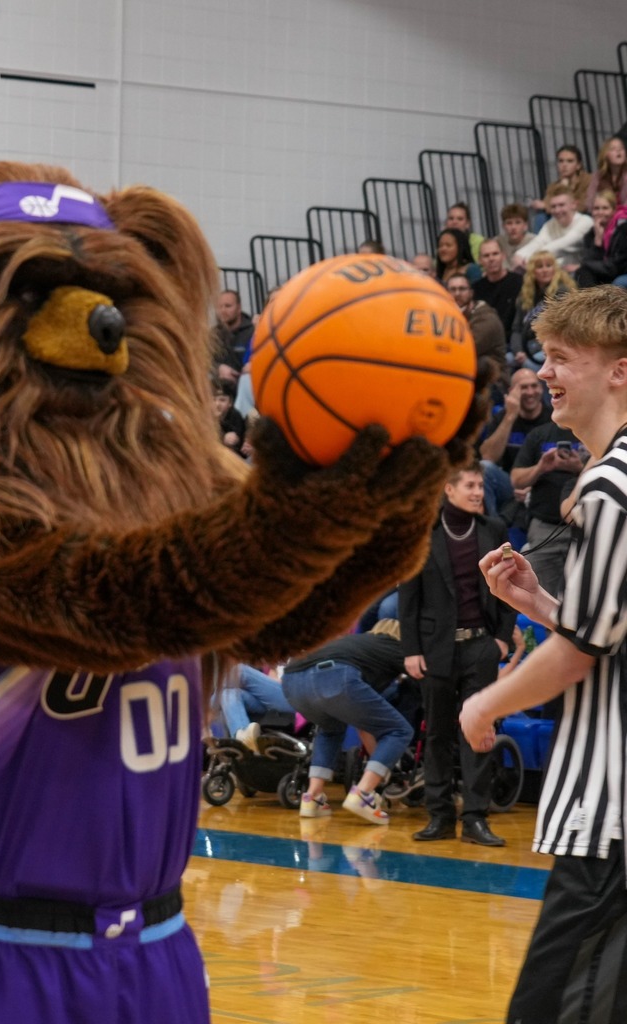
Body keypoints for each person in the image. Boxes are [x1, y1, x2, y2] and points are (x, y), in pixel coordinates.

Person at [461, 286, 627, 1023]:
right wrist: (542, 608)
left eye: (563, 359)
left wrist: (485, 701)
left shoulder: (610, 487)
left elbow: (579, 657)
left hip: (612, 816)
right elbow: (603, 637)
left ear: (618, 371)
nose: (547, 373)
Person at [398, 462, 516, 846]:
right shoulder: (423, 535)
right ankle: (439, 816)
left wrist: (501, 639)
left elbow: (509, 588)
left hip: (481, 645)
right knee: (438, 734)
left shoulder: (493, 530)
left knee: (479, 731)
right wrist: (411, 650)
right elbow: (408, 598)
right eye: (470, 485)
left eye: (481, 485)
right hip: (435, 649)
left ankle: (476, 818)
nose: (478, 492)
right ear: (448, 490)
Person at [281, 619, 415, 825]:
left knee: (330, 728)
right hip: (332, 676)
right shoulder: (395, 646)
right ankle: (363, 793)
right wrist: (384, 767)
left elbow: (363, 723)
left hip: (292, 682)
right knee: (399, 730)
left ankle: (312, 797)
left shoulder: (356, 644)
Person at [510, 420, 585, 599]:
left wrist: (579, 468)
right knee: (537, 596)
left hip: (582, 526)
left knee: (580, 598)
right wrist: (541, 467)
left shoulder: (591, 432)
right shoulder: (539, 434)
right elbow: (516, 480)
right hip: (543, 527)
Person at [478, 367, 551, 518]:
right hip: (510, 484)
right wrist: (510, 416)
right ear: (512, 391)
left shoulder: (553, 418)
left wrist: (533, 489)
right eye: (523, 387)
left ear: (541, 388)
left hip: (546, 485)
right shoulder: (503, 417)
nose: (530, 392)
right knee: (484, 469)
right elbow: (488, 456)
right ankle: (492, 530)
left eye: (534, 386)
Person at [510, 250, 578, 371]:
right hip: (527, 346)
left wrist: (528, 354)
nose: (545, 270)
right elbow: (516, 329)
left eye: (548, 265)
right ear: (532, 271)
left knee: (529, 365)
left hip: (552, 347)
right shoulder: (525, 296)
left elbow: (560, 329)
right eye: (540, 266)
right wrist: (519, 351)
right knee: (506, 360)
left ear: (555, 269)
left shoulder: (563, 292)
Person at [513, 185, 594, 271]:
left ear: (574, 205)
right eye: (553, 206)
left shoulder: (585, 222)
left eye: (561, 205)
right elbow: (538, 242)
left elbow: (562, 245)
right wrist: (519, 255)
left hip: (585, 273)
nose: (557, 210)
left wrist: (530, 259)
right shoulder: (550, 225)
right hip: (560, 272)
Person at [218, 664, 296, 752]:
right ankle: (243, 739)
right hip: (271, 699)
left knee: (240, 671)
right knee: (229, 694)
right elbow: (273, 672)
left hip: (296, 697)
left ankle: (202, 708)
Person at [445, 273, 505, 372]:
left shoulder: (487, 318)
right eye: (452, 289)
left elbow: (464, 350)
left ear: (471, 293)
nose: (457, 293)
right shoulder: (448, 314)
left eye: (462, 289)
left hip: (492, 380)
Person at [472, 237, 522, 340]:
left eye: (495, 254)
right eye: (486, 256)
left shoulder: (519, 282)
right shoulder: (475, 289)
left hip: (515, 340)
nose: (491, 259)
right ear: (480, 260)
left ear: (503, 256)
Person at [576, 190, 627, 288]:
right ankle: (591, 302)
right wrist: (598, 242)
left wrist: (586, 264)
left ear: (613, 210)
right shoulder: (591, 233)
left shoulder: (623, 228)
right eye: (596, 208)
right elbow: (589, 260)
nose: (600, 212)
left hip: (621, 271)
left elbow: (617, 266)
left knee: (585, 270)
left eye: (605, 208)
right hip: (607, 271)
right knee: (582, 273)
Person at [529, 144, 592, 223]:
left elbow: (584, 206)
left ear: (578, 165)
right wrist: (562, 187)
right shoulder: (554, 186)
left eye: (570, 161)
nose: (564, 165)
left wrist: (547, 206)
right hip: (560, 219)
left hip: (582, 217)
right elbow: (548, 202)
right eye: (561, 161)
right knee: (541, 217)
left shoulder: (588, 180)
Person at [212, 289, 252, 383]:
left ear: (239, 308)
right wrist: (219, 368)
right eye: (219, 307)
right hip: (220, 390)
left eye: (228, 306)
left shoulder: (252, 332)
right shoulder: (213, 335)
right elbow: (205, 362)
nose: (223, 310)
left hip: (246, 388)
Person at [583, 135, 627, 210]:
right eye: (613, 149)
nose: (618, 150)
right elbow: (589, 202)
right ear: (605, 154)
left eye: (621, 148)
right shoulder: (598, 176)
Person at [496, 203, 536, 269]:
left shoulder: (534, 241)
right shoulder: (497, 243)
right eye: (509, 223)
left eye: (518, 222)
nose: (513, 227)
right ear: (503, 226)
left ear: (525, 225)